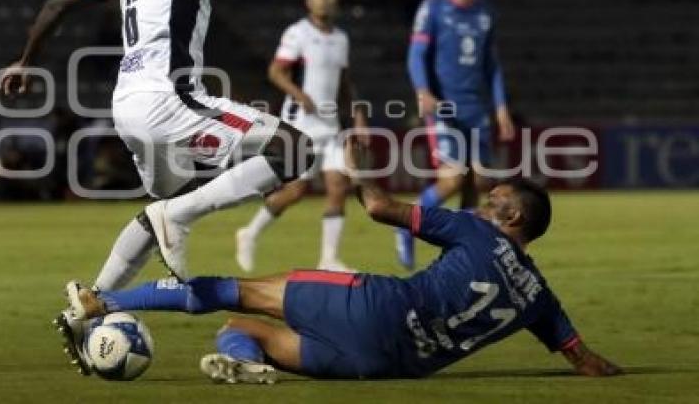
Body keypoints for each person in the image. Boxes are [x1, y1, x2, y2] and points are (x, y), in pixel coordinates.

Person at [0, 0, 315, 372]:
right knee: (296, 149)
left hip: (128, 105)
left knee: (164, 203)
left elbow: (60, 1)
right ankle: (180, 218)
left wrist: (25, 59)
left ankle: (91, 303)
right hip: (170, 96)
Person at [64, 137, 620, 382]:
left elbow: (377, 206)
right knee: (242, 330)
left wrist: (354, 165)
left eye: (496, 198)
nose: (485, 198)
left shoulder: (476, 232)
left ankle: (101, 299)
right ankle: (250, 364)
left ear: (512, 218)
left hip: (373, 308)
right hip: (387, 367)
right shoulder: (540, 296)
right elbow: (586, 360)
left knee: (230, 290)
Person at [236, 0, 367, 273]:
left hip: (330, 124)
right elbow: (275, 71)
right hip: (301, 123)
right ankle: (250, 233)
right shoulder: (298, 33)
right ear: (309, 1)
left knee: (337, 186)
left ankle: (329, 259)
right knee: (296, 191)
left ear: (336, 2)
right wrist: (300, 95)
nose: (324, 0)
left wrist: (358, 116)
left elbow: (345, 83)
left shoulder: (341, 39)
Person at [397, 0, 516, 269]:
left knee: (478, 183)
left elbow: (492, 66)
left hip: (477, 108)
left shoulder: (486, 12)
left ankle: (463, 249)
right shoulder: (433, 8)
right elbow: (416, 54)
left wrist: (501, 106)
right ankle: (404, 223)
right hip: (444, 106)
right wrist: (423, 91)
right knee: (451, 181)